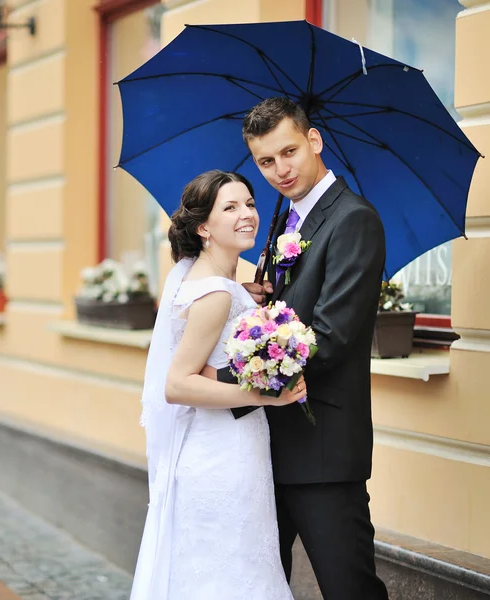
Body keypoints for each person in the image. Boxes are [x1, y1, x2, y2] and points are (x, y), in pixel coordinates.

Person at [217, 97, 389, 600]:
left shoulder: (353, 219)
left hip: (323, 448)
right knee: (265, 584)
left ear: (314, 141)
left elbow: (331, 337)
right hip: (268, 442)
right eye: (265, 161)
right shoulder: (284, 222)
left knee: (349, 588)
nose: (279, 170)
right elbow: (294, 312)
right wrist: (257, 302)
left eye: (288, 152)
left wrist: (219, 384)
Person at [130, 169, 305, 600]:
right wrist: (268, 395)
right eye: (230, 208)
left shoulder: (211, 283)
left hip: (220, 446)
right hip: (223, 456)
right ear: (204, 227)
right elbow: (178, 385)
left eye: (249, 203)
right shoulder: (216, 294)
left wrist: (246, 297)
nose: (247, 214)